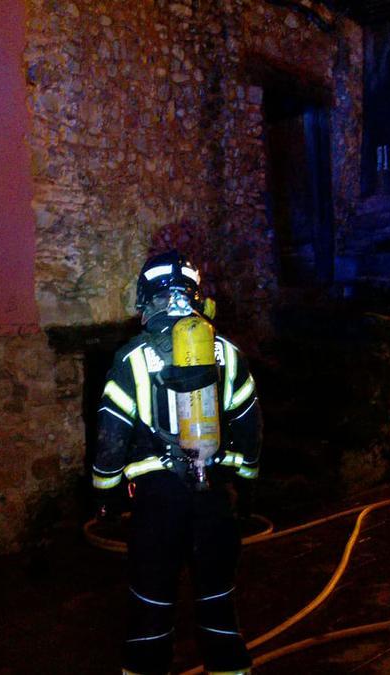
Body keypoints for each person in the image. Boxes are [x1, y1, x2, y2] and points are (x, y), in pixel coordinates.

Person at [92, 250, 261, 675]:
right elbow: (250, 426)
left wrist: (106, 494)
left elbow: (111, 436)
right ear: (196, 296)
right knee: (219, 613)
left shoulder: (132, 358)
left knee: (151, 613)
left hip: (158, 504)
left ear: (145, 299)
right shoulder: (228, 353)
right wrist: (244, 484)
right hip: (215, 501)